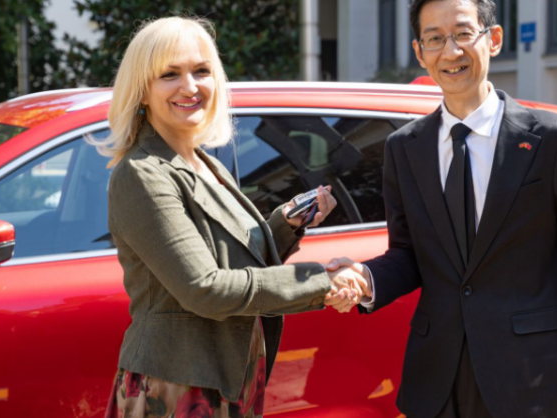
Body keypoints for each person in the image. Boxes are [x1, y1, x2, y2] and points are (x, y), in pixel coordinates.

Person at [326, 1, 557, 417]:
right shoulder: (404, 148)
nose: (450, 52)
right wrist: (366, 278)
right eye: (435, 39)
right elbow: (408, 255)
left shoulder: (553, 139)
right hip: (437, 380)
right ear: (420, 52)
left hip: (532, 380)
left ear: (494, 39)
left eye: (463, 34)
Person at [92, 16, 364, 418]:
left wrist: (283, 226)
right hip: (178, 386)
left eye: (201, 71)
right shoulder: (142, 173)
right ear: (142, 90)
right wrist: (320, 281)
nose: (190, 86)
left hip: (230, 374)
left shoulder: (202, 161)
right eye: (169, 74)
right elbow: (206, 288)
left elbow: (226, 257)